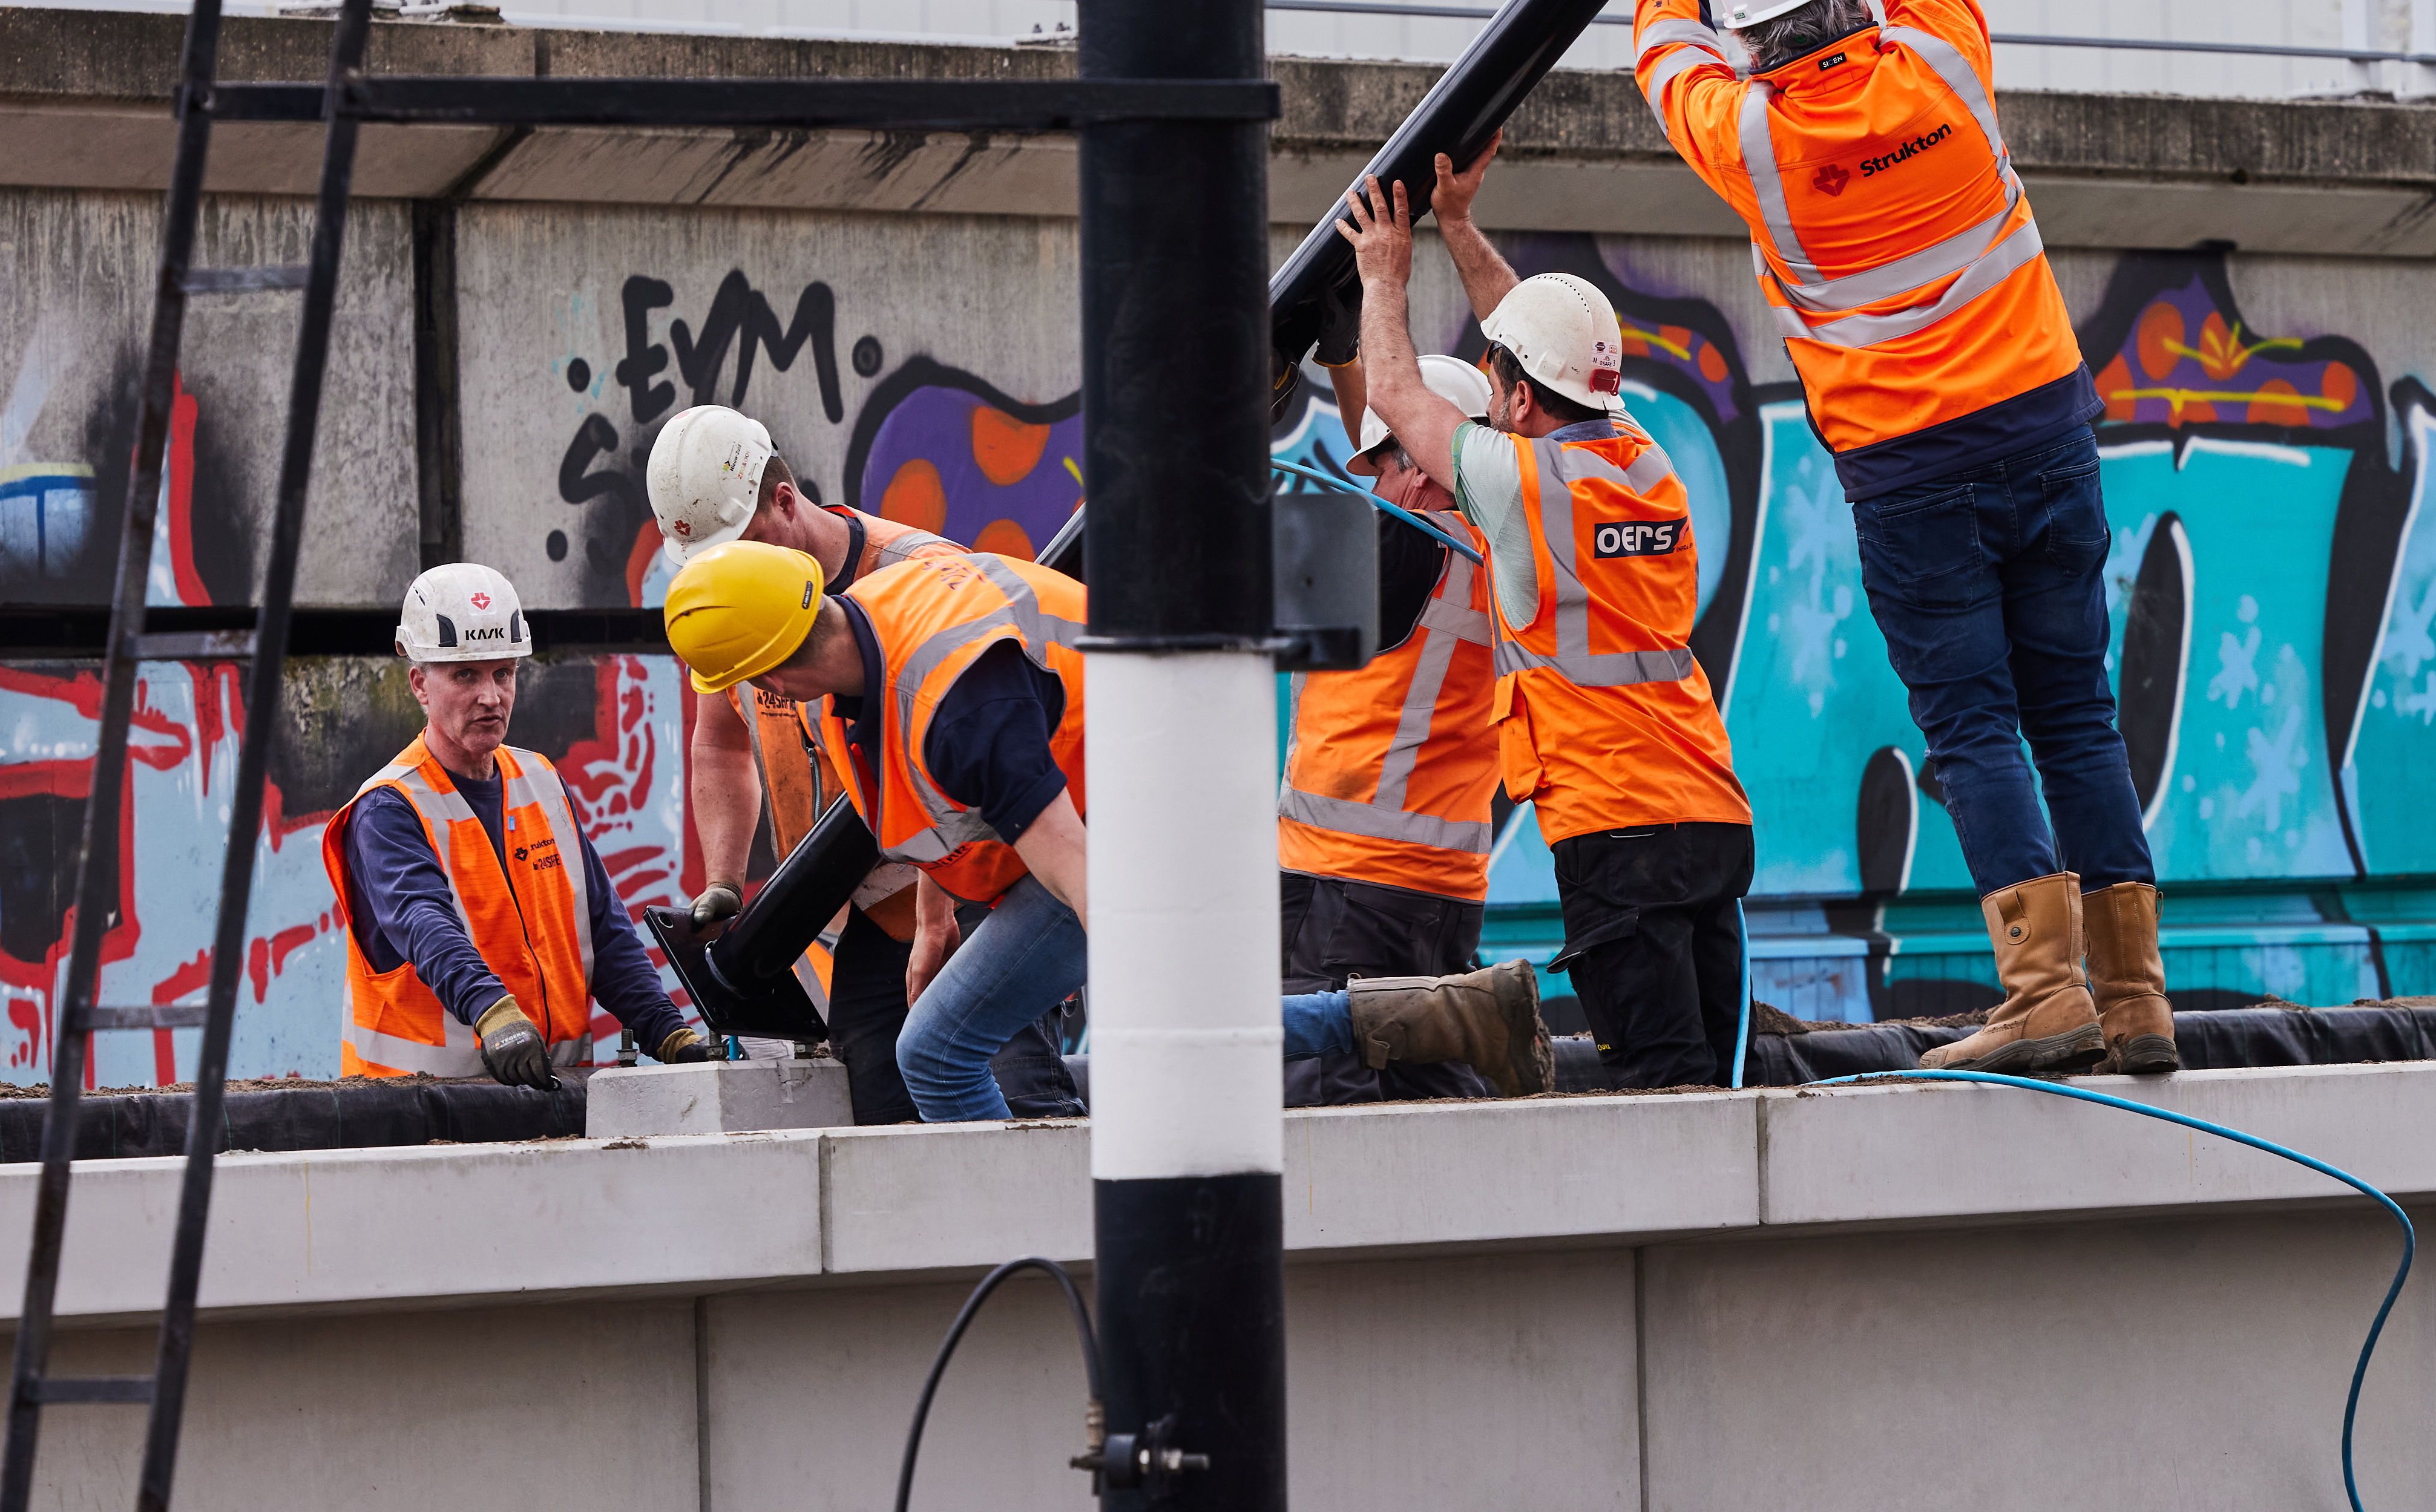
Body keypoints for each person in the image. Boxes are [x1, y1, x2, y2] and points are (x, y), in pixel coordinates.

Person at [1625, 0, 2170, 1078]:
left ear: (1756, 42)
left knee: (1977, 721)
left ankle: (2041, 990)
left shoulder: (1751, 136)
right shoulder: (1941, 50)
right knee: (2077, 712)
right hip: (2047, 428)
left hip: (1912, 468)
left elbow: (1660, 53)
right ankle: (2138, 993)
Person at [663, 538, 1554, 1119]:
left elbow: (1076, 865)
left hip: (1130, 816)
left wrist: (1142, 972)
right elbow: (928, 801)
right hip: (1100, 799)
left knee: (941, 1051)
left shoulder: (959, 703)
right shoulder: (868, 633)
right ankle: (1445, 1015)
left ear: (770, 675)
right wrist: (934, 924)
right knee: (1173, 1024)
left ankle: (1023, 1248)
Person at [1339, 170, 1758, 1089]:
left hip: (1617, 827)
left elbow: (1405, 399)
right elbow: (1543, 350)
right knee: (1725, 1077)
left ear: (1520, 399)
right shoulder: (1649, 462)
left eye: (1497, 384)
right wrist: (1458, 224)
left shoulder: (1522, 488)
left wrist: (1384, 276)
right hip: (1711, 810)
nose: (1491, 397)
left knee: (1664, 1085)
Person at [641, 405, 1082, 1120]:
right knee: (886, 1135)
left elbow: (980, 766)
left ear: (785, 501)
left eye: (743, 545)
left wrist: (939, 916)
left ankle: (1054, 1229)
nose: (728, 571)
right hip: (871, 914)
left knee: (1013, 1095)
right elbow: (719, 741)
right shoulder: (734, 600)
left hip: (981, 885)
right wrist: (723, 880)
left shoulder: (921, 574)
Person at [321, 561, 715, 1084]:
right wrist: (495, 1015)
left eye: (504, 673)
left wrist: (667, 1032)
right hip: (423, 1112)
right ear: (420, 683)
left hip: (550, 1094)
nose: (491, 696)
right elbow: (424, 923)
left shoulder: (542, 780)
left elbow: (603, 928)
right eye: (466, 675)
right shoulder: (388, 807)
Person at [1284, 332, 1511, 1104]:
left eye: (1382, 465)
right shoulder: (1506, 549)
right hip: (1444, 890)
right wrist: (1348, 363)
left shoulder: (1397, 546)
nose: (1373, 488)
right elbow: (1384, 494)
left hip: (1346, 883)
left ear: (1417, 467)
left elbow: (1216, 597)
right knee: (1432, 1085)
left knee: (1323, 1090)